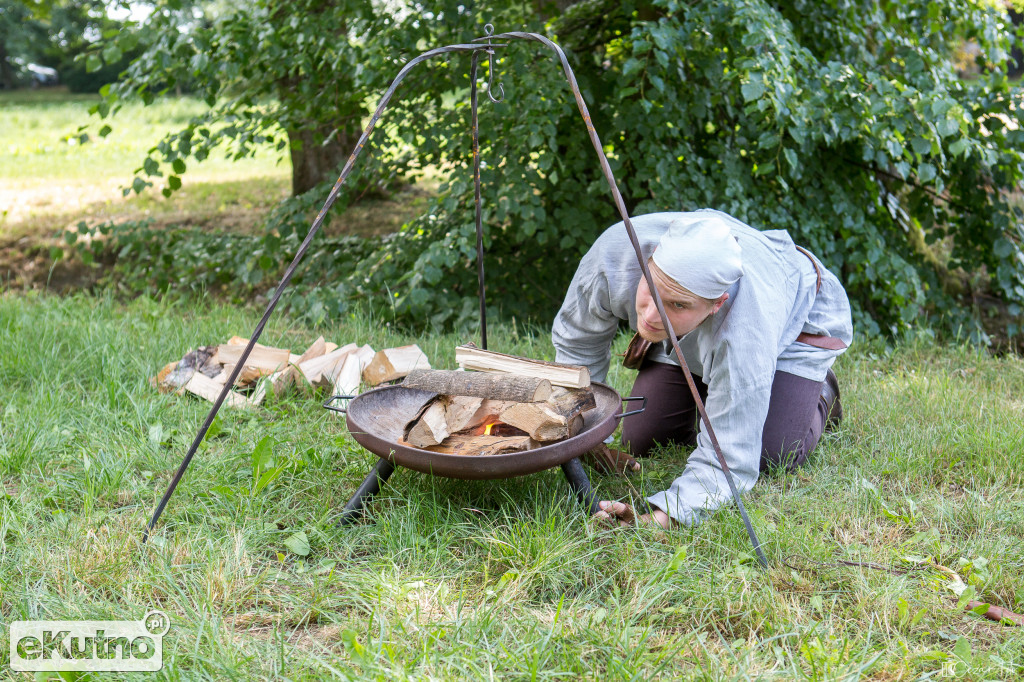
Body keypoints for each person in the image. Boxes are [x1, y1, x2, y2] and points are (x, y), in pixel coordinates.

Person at [551, 209, 853, 528]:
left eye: (677, 304)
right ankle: (711, 374)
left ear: (717, 303)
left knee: (771, 452)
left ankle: (817, 391)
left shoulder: (746, 329)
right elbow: (577, 345)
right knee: (642, 437)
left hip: (795, 325)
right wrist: (587, 436)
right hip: (691, 334)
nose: (652, 316)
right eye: (652, 290)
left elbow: (730, 459)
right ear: (650, 261)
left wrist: (656, 521)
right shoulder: (614, 254)